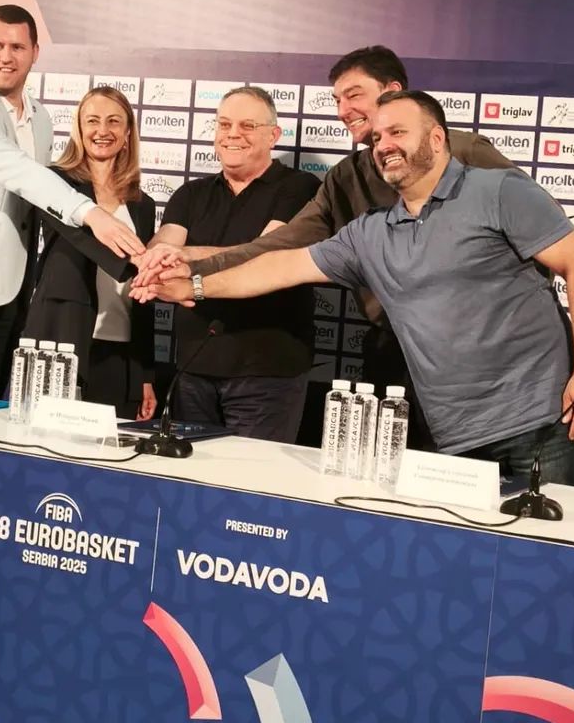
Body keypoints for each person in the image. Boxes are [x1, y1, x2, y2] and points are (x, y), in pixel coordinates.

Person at [134, 91, 574, 485]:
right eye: (377, 137)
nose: (383, 146)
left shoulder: (499, 191)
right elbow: (279, 266)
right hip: (454, 438)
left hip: (544, 422)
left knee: (552, 560)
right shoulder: (370, 232)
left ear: (437, 138)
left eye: (398, 132)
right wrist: (195, 285)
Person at [133, 45, 515, 448]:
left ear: (393, 91)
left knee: (484, 476)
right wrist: (191, 270)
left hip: (480, 352)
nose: (343, 110)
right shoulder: (345, 178)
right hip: (396, 348)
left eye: (354, 95)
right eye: (337, 100)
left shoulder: (465, 151)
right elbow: (277, 249)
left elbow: (540, 232)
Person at [0, 4, 144, 397]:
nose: (6, 56)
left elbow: (39, 205)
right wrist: (91, 213)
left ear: (35, 52)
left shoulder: (41, 118)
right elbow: (17, 171)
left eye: (17, 47)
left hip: (9, 295)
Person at [142, 86, 320, 442]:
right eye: (224, 124)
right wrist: (156, 259)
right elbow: (164, 245)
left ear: (273, 135)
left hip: (267, 375)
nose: (232, 134)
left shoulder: (301, 187)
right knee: (191, 476)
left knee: (252, 475)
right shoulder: (191, 194)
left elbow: (264, 252)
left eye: (247, 125)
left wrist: (186, 256)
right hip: (192, 371)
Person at [22, 87, 156, 419]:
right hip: (60, 341)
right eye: (92, 121)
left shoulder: (143, 205)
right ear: (79, 129)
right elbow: (82, 237)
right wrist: (134, 260)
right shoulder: (55, 182)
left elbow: (144, 293)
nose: (102, 130)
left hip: (121, 351)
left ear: (127, 133)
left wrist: (145, 374)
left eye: (114, 121)